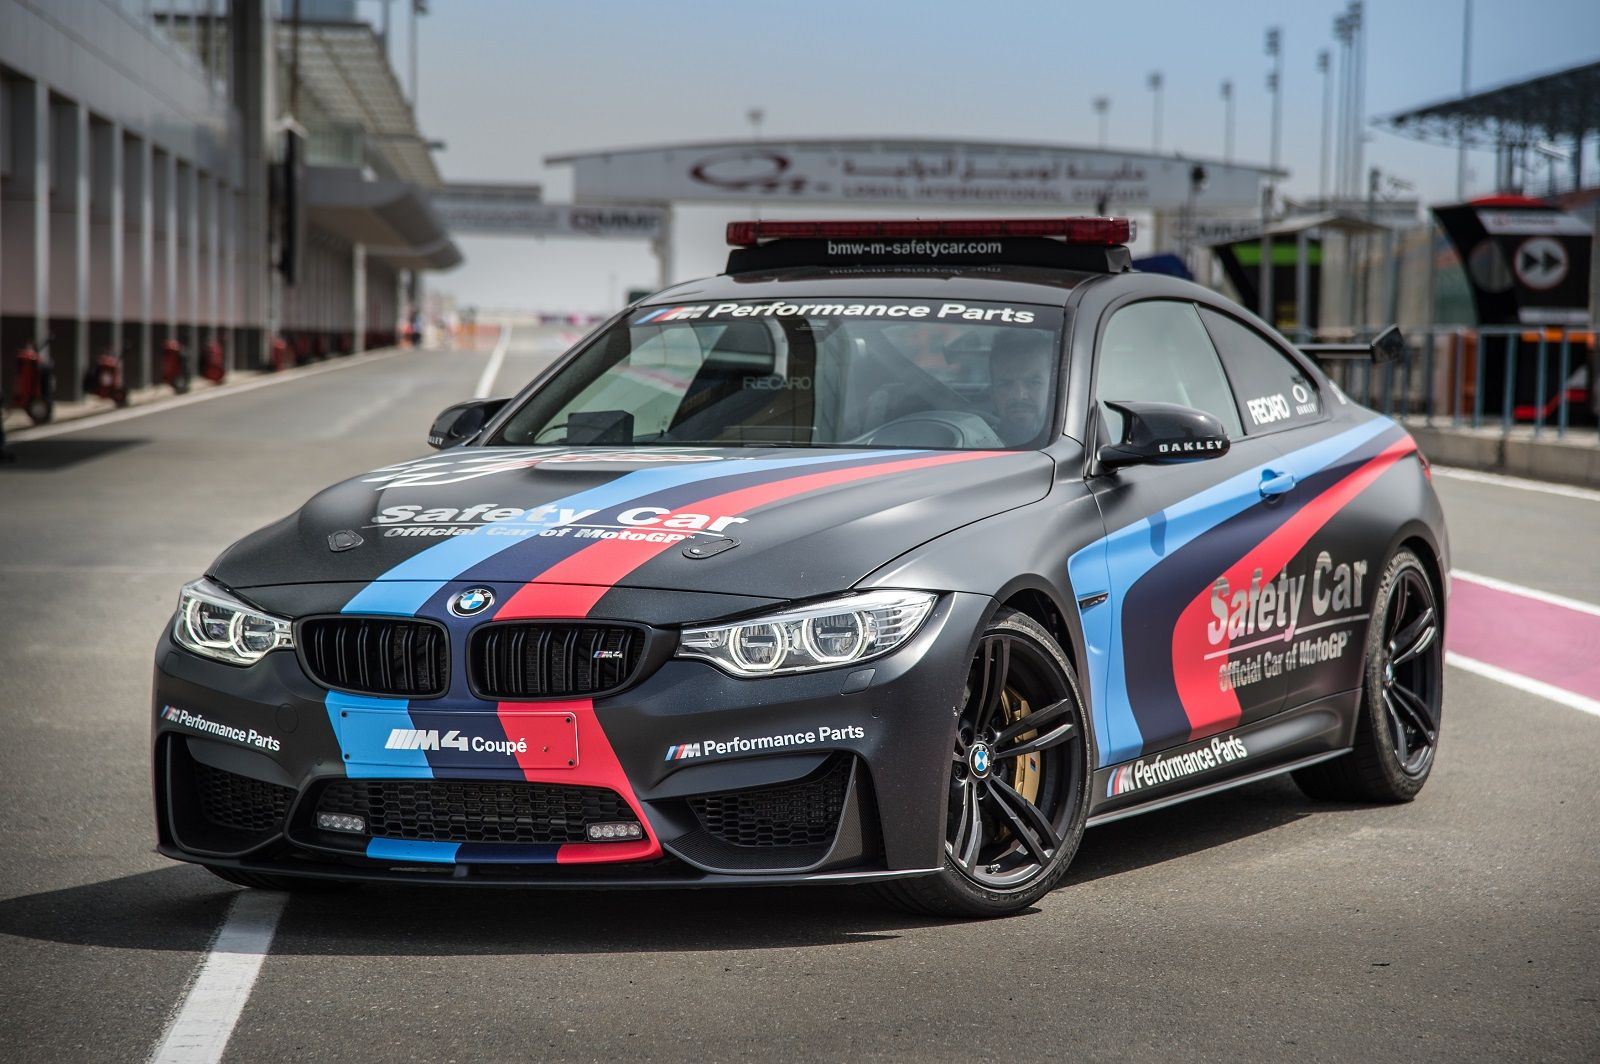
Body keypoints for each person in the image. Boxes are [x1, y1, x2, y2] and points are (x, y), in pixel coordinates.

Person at [987, 327, 1055, 444]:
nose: (1019, 396)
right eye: (1006, 384)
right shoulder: (975, 443)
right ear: (992, 394)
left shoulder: (1071, 441)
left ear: (1052, 390)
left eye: (1033, 383)